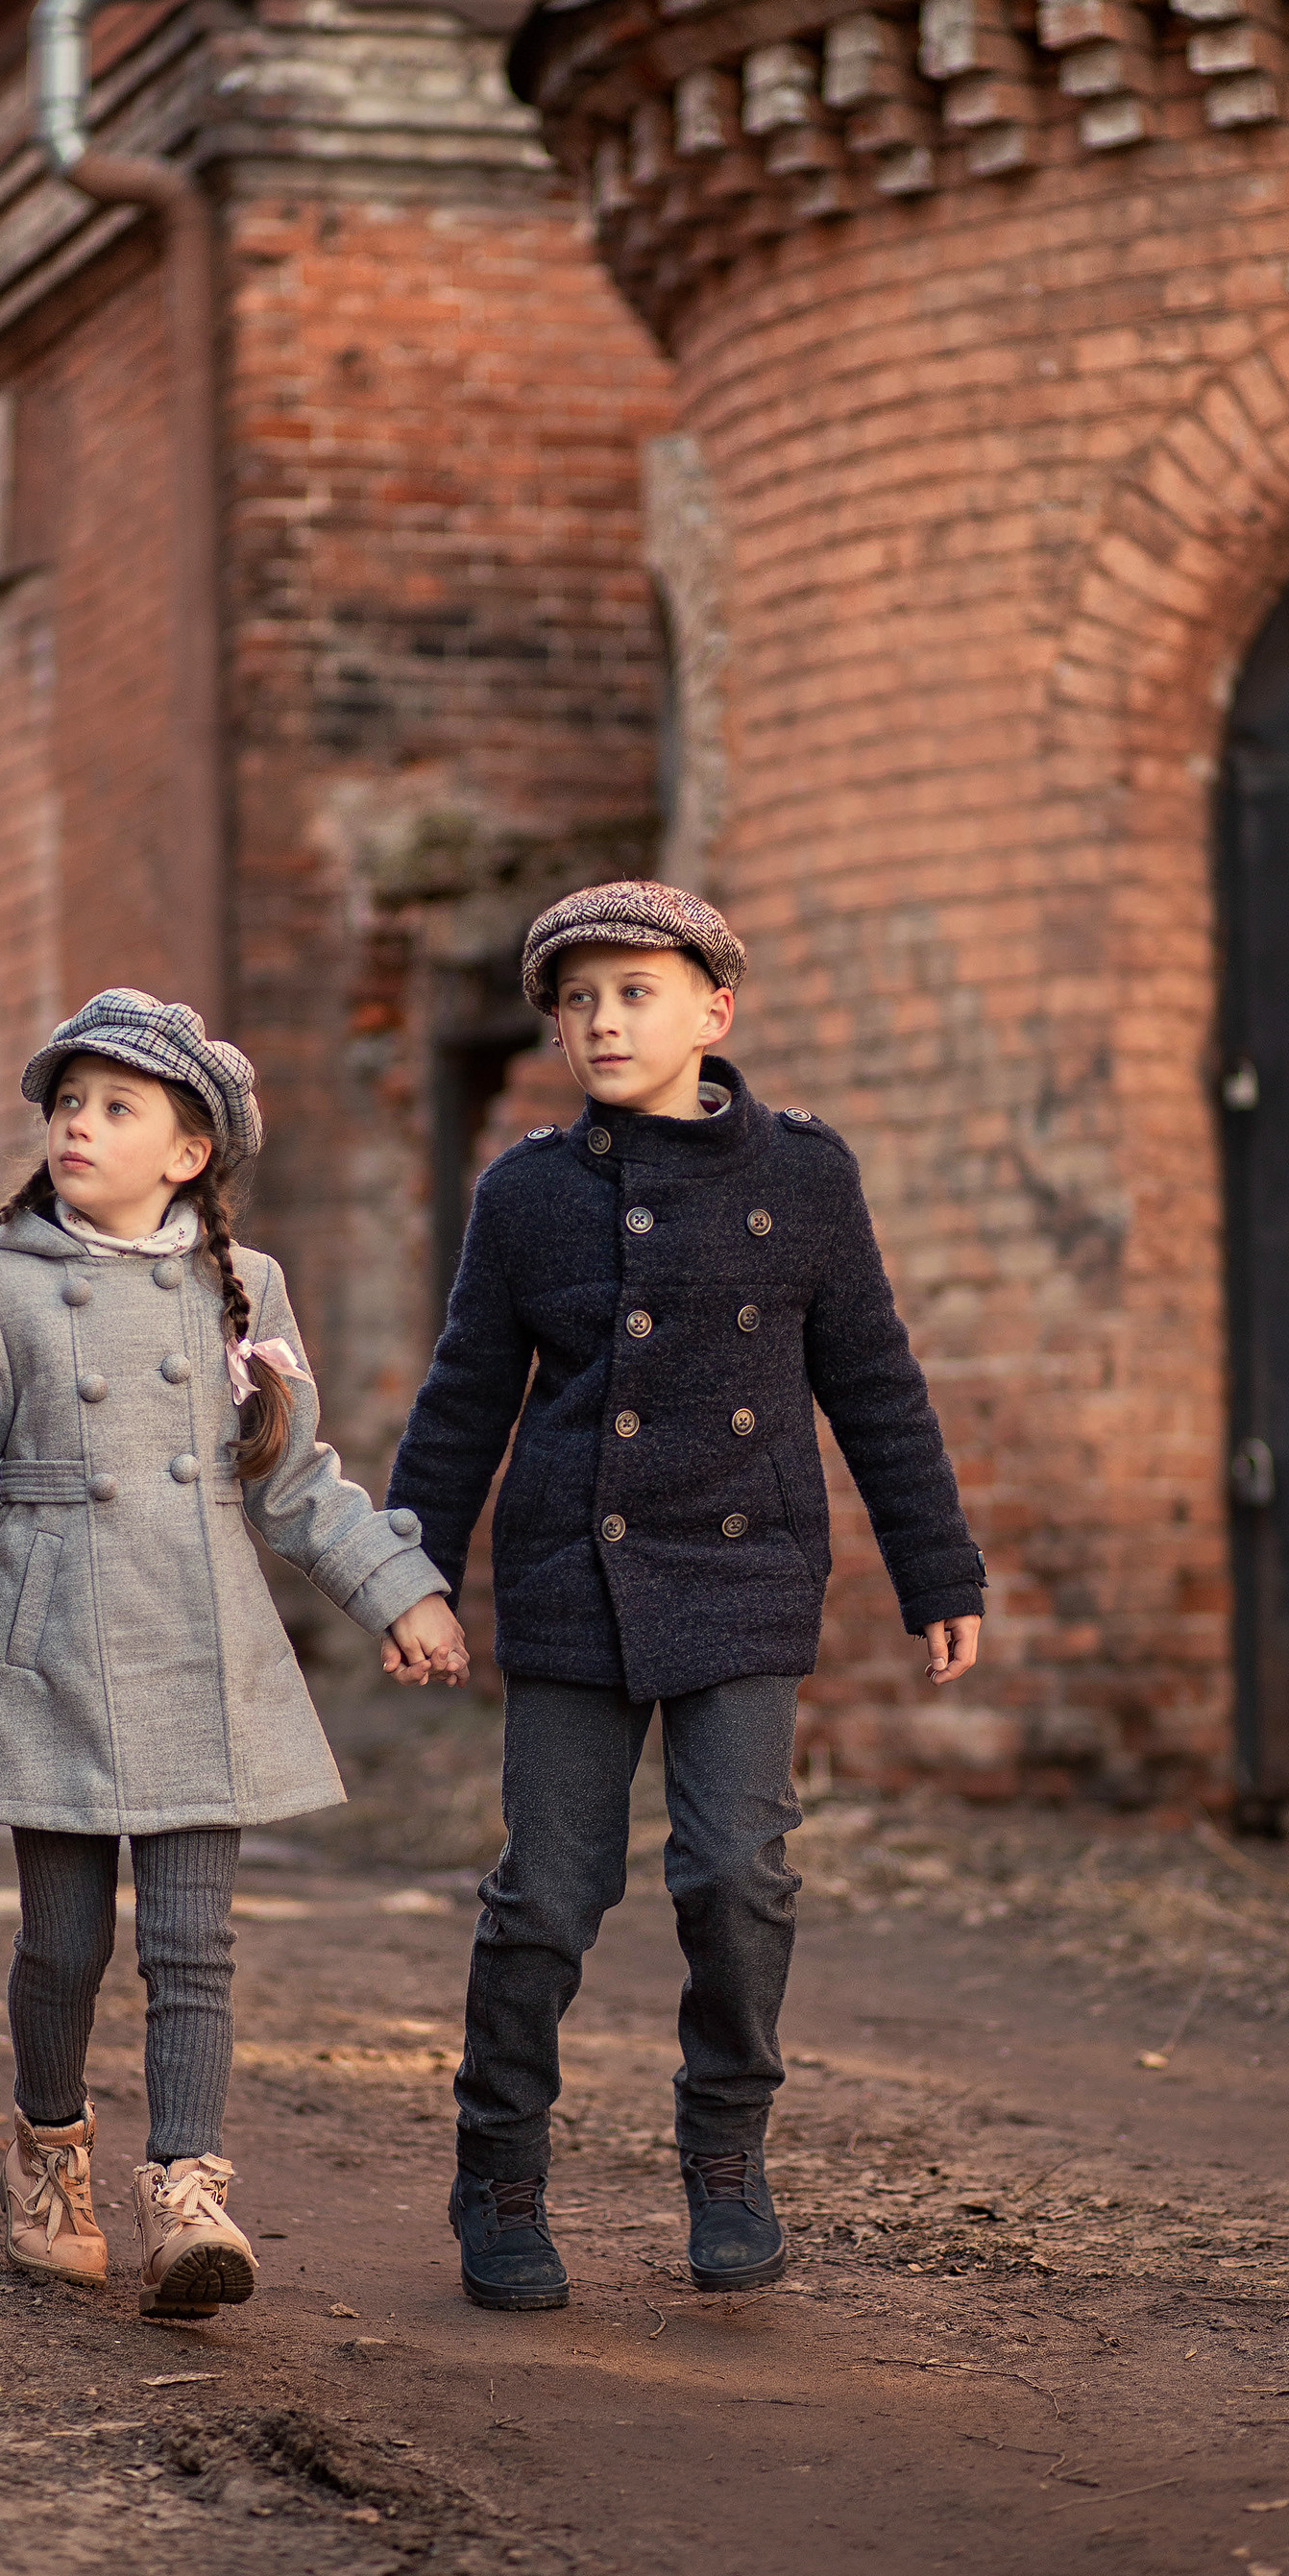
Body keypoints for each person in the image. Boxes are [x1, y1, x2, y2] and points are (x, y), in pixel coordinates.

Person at [386, 883, 985, 2311]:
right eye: (578, 999)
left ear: (713, 1010)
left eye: (635, 992)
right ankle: (502, 2173)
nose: (602, 1019)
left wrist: (938, 1566)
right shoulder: (525, 1193)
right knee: (547, 1891)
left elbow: (876, 1385)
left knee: (735, 1872)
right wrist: (403, 1568)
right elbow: (465, 1397)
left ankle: (727, 2153)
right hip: (572, 1580)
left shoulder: (807, 1178)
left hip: (745, 1572)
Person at [0, 988, 468, 2320]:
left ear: (189, 1151)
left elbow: (295, 1481)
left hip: (204, 1649)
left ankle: (187, 2191)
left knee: (194, 1944)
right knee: (63, 1945)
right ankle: (48, 2151)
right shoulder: (0, 1281)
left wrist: (398, 1592)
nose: (79, 1123)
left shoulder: (242, 1288)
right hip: (53, 1651)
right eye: (68, 1102)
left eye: (115, 1106)